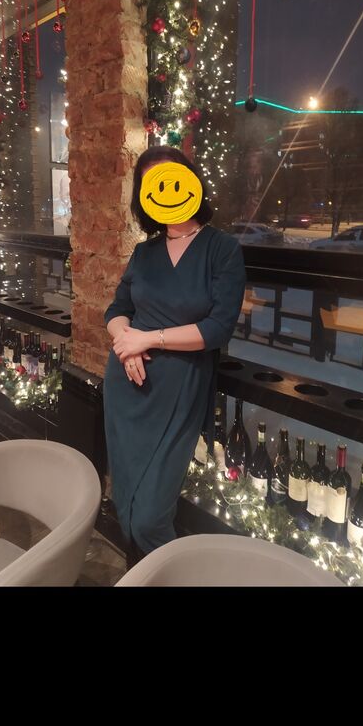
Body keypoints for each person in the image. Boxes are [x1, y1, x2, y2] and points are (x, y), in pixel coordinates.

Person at [103, 145, 246, 568]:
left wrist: (147, 339)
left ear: (191, 181)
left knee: (150, 518)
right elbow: (116, 310)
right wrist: (125, 342)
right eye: (152, 182)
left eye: (170, 176)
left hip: (180, 386)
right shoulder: (144, 252)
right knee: (126, 501)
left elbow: (217, 328)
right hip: (126, 386)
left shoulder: (222, 248)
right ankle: (139, 574)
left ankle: (169, 576)